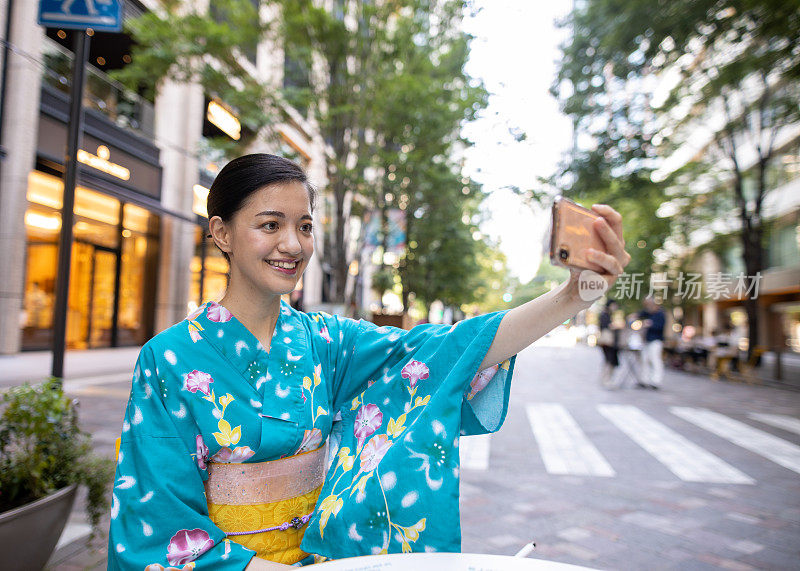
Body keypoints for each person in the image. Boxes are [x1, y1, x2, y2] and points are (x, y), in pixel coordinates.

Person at [108, 154, 630, 570]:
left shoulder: (328, 342)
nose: (292, 245)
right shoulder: (169, 359)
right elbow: (159, 521)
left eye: (305, 226)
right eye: (270, 225)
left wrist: (575, 296)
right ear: (221, 233)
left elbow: (447, 351)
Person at [637, 297, 666, 389]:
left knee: (655, 360)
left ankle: (656, 381)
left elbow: (660, 327)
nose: (647, 307)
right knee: (644, 360)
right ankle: (644, 380)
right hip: (646, 340)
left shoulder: (660, 314)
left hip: (656, 340)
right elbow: (639, 314)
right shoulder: (648, 313)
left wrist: (650, 324)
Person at [597, 299, 621, 388]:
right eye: (614, 305)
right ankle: (606, 380)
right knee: (609, 360)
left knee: (609, 360)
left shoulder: (608, 315)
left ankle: (606, 379)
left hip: (609, 342)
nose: (615, 307)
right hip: (607, 342)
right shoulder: (604, 315)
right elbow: (605, 327)